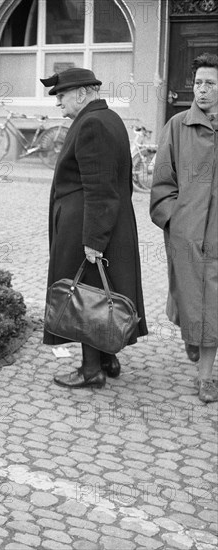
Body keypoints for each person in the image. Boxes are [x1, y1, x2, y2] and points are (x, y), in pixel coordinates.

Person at [40, 67, 147, 389]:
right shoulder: (107, 118)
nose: (58, 102)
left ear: (83, 93)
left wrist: (93, 241)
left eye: (62, 95)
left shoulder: (92, 124)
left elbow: (99, 187)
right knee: (105, 292)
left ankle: (91, 371)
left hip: (90, 226)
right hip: (102, 223)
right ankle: (106, 356)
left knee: (88, 296)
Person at [150, 53, 218, 403]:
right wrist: (174, 218)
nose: (202, 90)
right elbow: (162, 180)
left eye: (210, 83)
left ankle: (206, 376)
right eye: (199, 83)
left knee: (214, 304)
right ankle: (191, 334)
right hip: (186, 233)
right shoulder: (178, 125)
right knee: (188, 295)